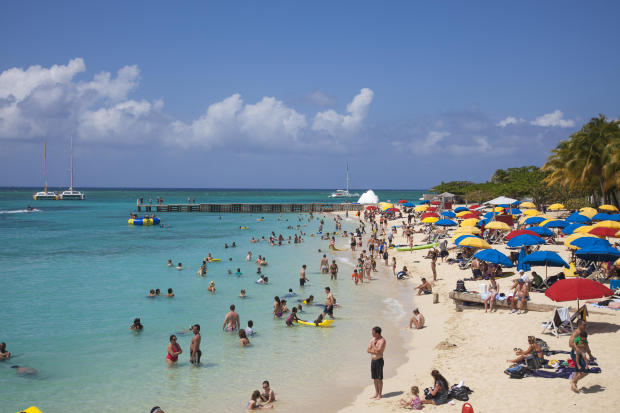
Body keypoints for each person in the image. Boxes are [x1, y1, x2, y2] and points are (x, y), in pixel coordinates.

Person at [569, 321, 594, 393]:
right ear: (579, 325)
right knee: (586, 371)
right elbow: (570, 344)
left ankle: (573, 386)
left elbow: (586, 345)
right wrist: (577, 348)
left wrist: (590, 354)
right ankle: (573, 382)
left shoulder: (583, 333)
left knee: (577, 371)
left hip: (582, 353)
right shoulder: (575, 334)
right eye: (584, 325)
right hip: (576, 354)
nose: (585, 326)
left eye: (585, 325)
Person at [367, 326, 386, 400]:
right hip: (373, 361)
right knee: (374, 378)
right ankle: (376, 393)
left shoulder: (382, 340)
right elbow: (368, 350)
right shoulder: (372, 339)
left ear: (377, 333)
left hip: (379, 361)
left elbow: (378, 351)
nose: (372, 333)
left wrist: (374, 345)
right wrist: (374, 349)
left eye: (373, 332)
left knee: (379, 378)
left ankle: (380, 394)